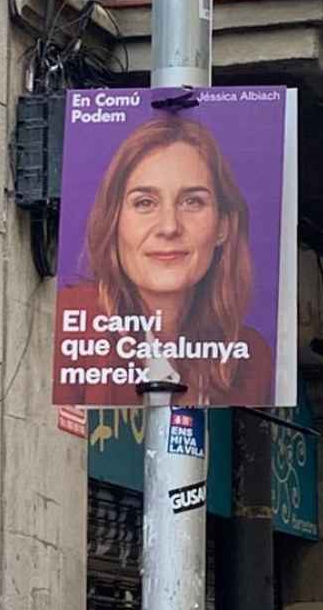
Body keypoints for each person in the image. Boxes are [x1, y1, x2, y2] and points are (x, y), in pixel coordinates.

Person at [53, 115, 275, 406]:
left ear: (222, 226)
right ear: (114, 221)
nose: (169, 227)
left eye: (192, 202)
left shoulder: (250, 357)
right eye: (145, 203)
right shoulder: (74, 320)